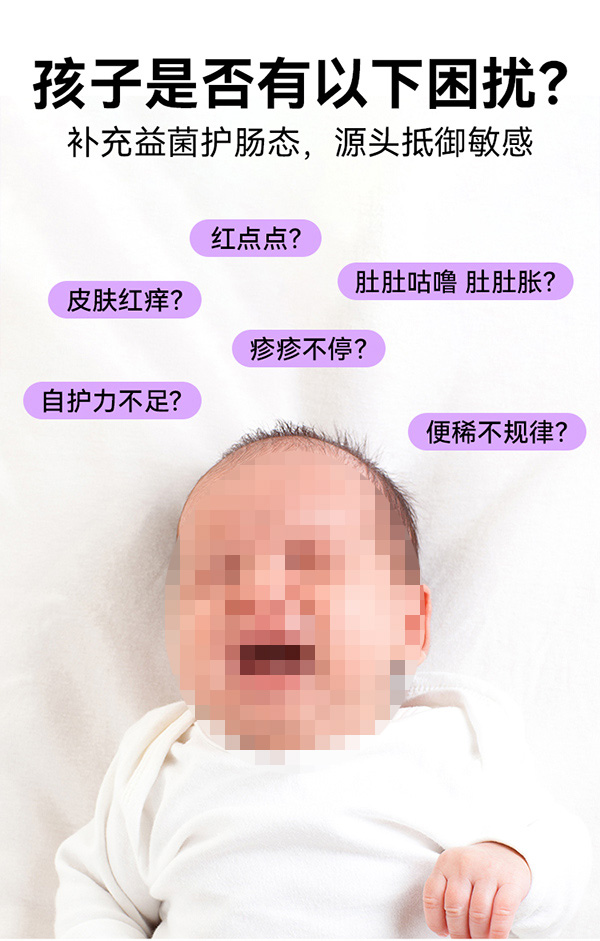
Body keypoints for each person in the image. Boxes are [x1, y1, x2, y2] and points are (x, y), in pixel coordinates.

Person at [54, 423, 590, 939]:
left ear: (409, 625)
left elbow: (565, 861)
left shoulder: (453, 744)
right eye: (221, 573)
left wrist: (512, 864)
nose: (263, 596)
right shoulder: (163, 765)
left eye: (315, 565)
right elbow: (98, 890)